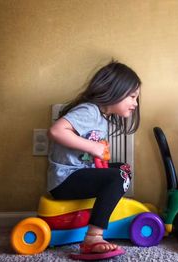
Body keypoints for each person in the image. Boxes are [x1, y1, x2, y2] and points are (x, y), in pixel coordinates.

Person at [47, 60, 141, 258]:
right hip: (65, 179)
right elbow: (56, 131)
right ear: (115, 90)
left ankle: (106, 204)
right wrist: (94, 147)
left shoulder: (101, 118)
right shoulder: (89, 111)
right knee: (118, 177)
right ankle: (93, 237)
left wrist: (98, 154)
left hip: (79, 174)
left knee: (123, 168)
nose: (135, 103)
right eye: (132, 96)